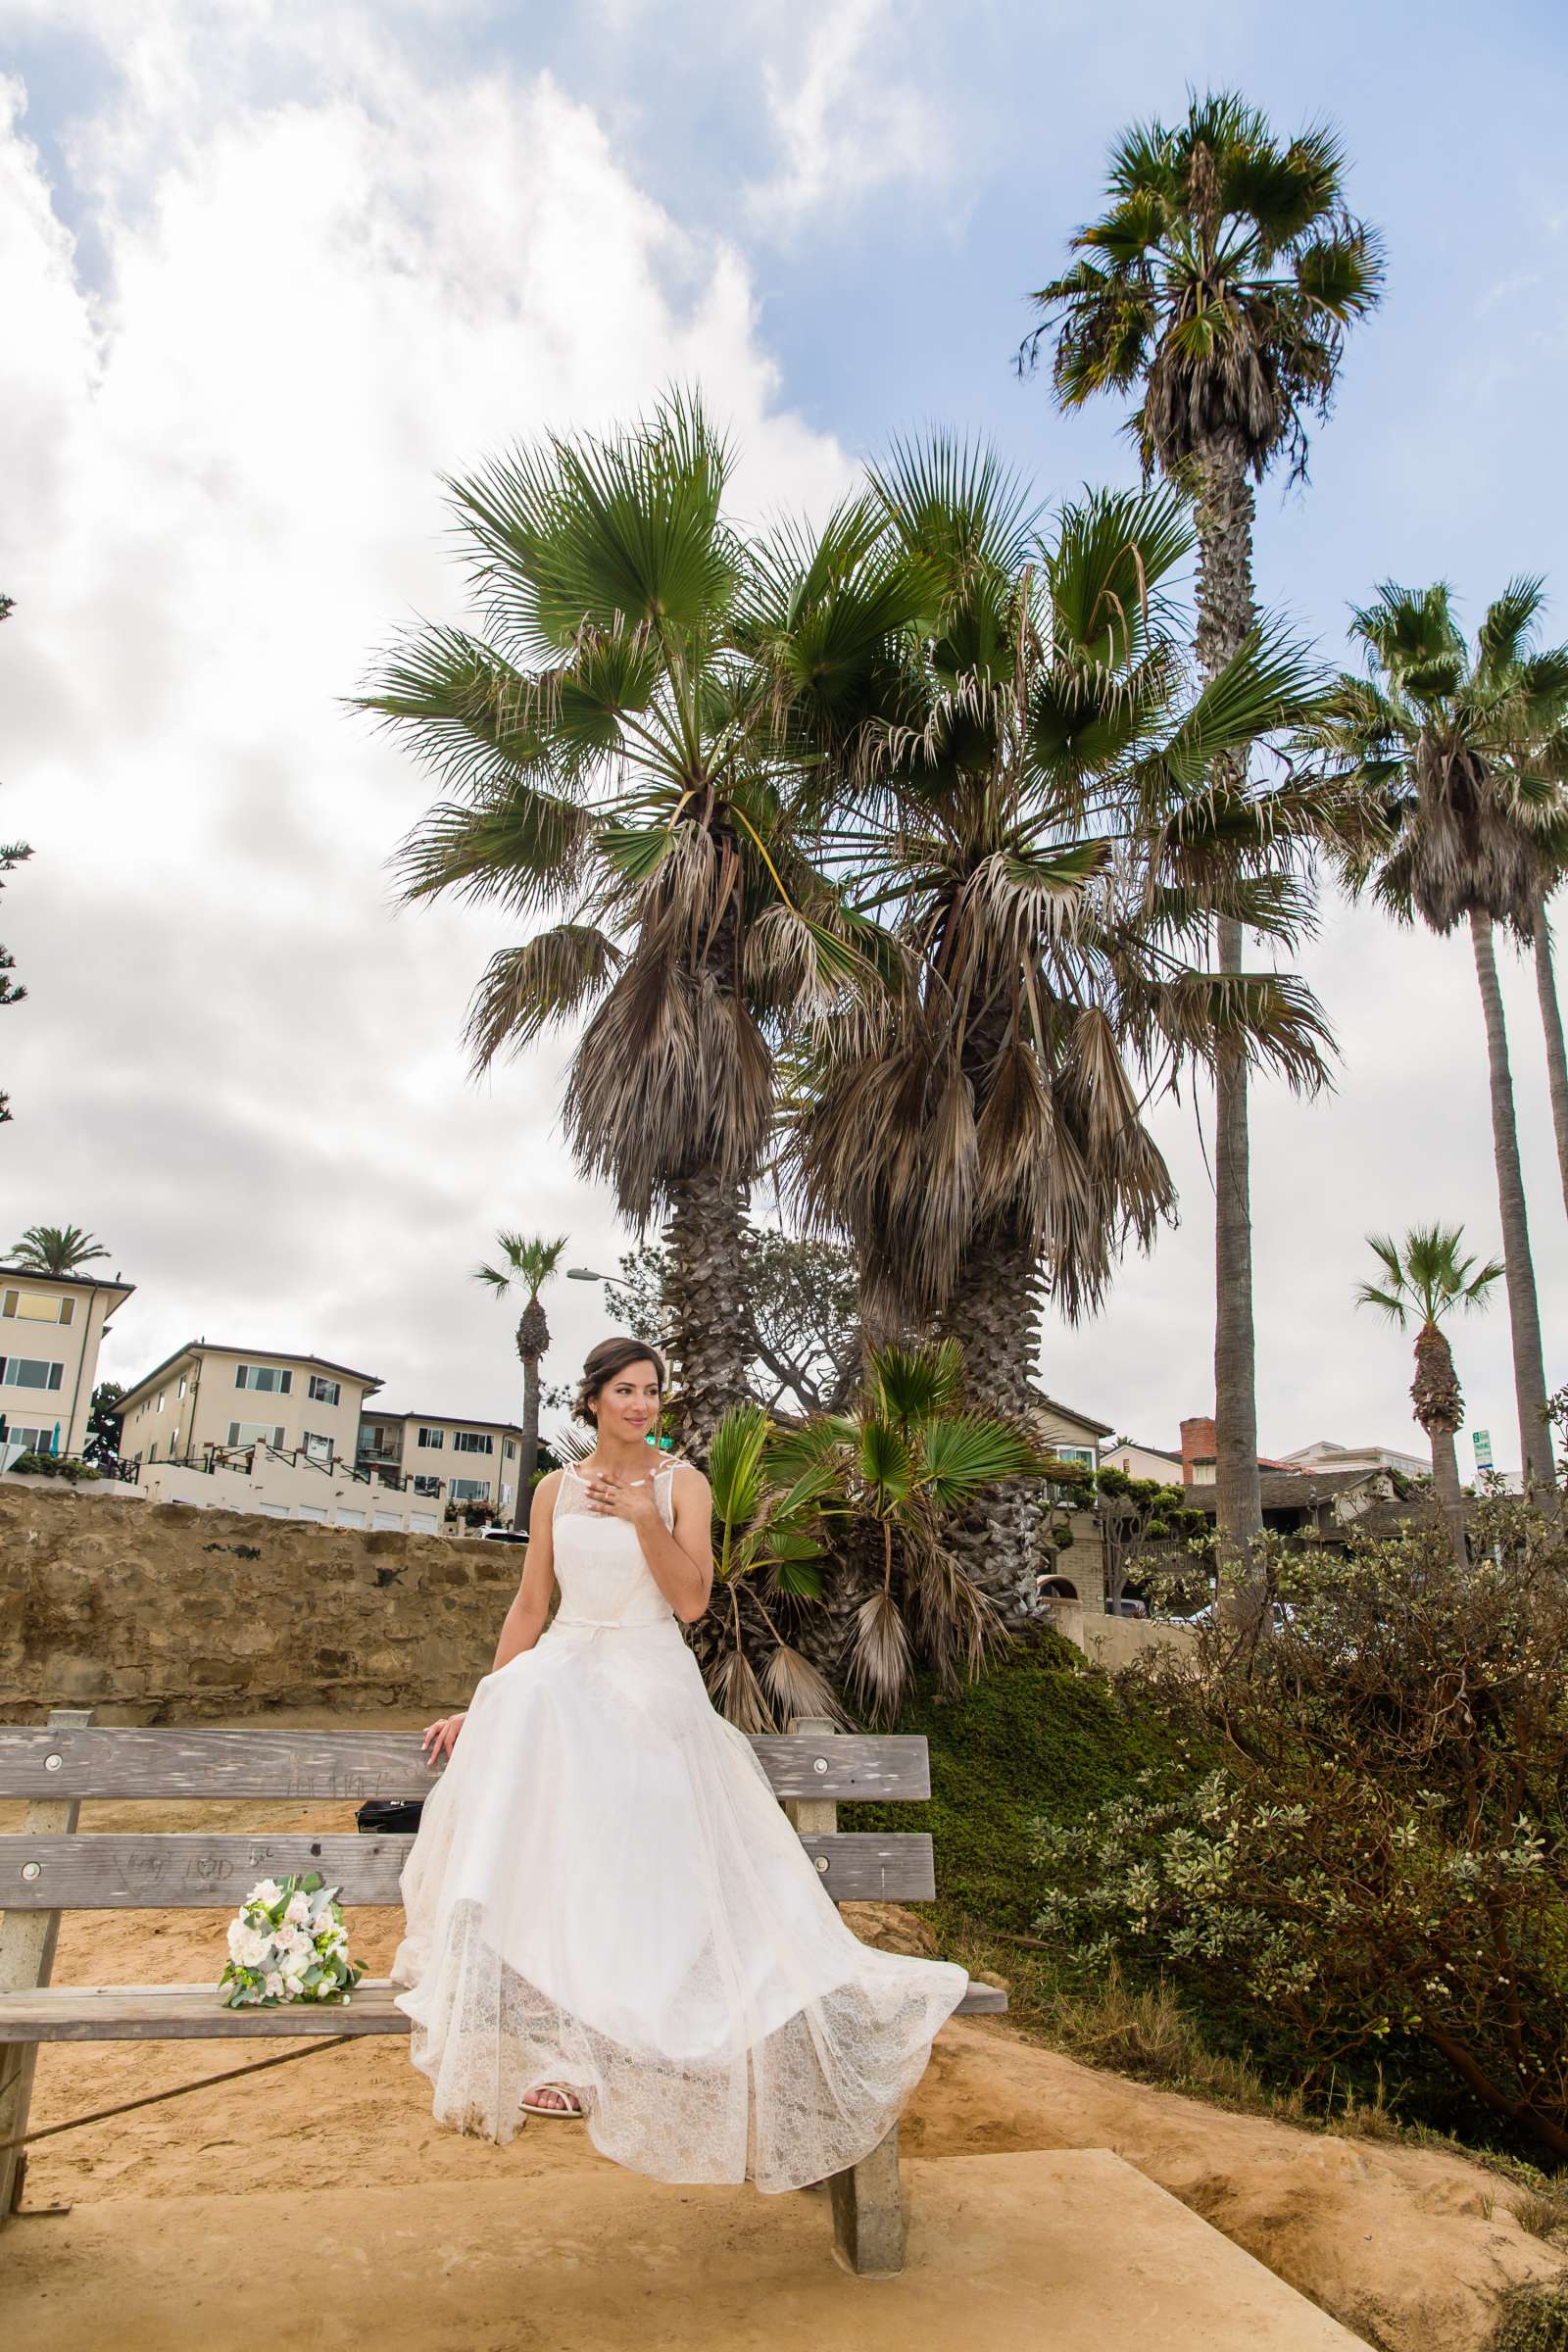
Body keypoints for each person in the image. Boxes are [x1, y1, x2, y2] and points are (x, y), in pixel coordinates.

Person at [390, 1335, 969, 2193]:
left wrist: (641, 1519)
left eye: (652, 1391)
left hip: (647, 1671)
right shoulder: (552, 1489)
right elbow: (529, 1604)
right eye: (624, 1390)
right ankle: (567, 2039)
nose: (640, 1404)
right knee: (526, 1718)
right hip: (565, 1664)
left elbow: (693, 1599)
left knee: (621, 1800)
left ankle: (625, 2024)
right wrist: (481, 1704)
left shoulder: (683, 1485)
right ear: (590, 1401)